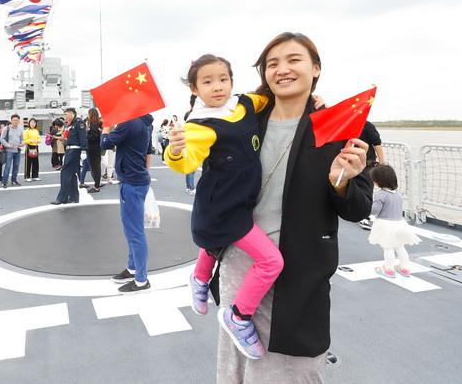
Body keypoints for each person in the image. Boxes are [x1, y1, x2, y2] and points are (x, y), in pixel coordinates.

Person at [216, 32, 372, 383]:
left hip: (299, 273)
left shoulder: (341, 127)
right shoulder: (243, 123)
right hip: (241, 264)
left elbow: (358, 208)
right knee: (236, 369)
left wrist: (341, 179)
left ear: (316, 68)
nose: (282, 69)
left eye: (294, 60)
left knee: (298, 368)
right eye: (272, 63)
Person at [166, 54, 282, 359]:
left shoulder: (244, 103)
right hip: (221, 205)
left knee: (215, 243)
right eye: (207, 81)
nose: (217, 87)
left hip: (242, 198)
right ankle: (239, 317)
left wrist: (312, 101)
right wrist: (176, 150)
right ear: (194, 88)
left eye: (223, 79)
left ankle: (200, 278)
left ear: (232, 80)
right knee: (271, 262)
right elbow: (187, 160)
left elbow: (268, 98)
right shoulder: (199, 125)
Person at [102, 113, 155, 293]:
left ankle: (141, 280)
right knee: (133, 229)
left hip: (131, 183)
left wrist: (106, 127)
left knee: (135, 232)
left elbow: (105, 143)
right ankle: (133, 269)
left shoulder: (128, 122)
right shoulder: (145, 123)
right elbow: (149, 152)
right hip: (139, 180)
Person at [368, 164, 420, 277]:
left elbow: (374, 210)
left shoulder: (380, 195)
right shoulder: (398, 195)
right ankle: (404, 268)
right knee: (400, 247)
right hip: (400, 224)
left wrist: (366, 208)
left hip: (385, 225)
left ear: (379, 181)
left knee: (388, 248)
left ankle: (388, 269)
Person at [51, 108, 86, 205]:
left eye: (66, 114)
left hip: (74, 151)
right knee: (72, 175)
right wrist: (59, 139)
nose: (65, 116)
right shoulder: (69, 125)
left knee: (65, 173)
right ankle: (74, 197)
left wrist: (83, 152)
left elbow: (83, 138)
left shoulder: (79, 123)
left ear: (72, 114)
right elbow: (65, 138)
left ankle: (62, 198)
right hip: (69, 149)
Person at [358, 120, 386, 230]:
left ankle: (365, 217)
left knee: (367, 189)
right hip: (350, 163)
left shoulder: (367, 125)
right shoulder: (347, 124)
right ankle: (356, 212)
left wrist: (382, 163)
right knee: (353, 189)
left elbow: (377, 143)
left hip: (367, 164)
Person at [0, 114, 24, 188]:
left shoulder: (20, 129)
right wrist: (7, 145)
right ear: (11, 121)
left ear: (19, 121)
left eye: (17, 120)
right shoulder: (6, 129)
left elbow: (22, 139)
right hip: (9, 151)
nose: (15, 121)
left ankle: (14, 180)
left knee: (16, 166)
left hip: (17, 150)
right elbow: (2, 139)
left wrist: (22, 143)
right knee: (8, 166)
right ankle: (4, 182)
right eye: (14, 120)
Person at [85, 108, 103, 193]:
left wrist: (86, 133)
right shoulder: (98, 123)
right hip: (97, 148)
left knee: (95, 167)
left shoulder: (93, 124)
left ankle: (96, 186)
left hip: (92, 148)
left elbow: (94, 137)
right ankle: (98, 183)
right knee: (97, 166)